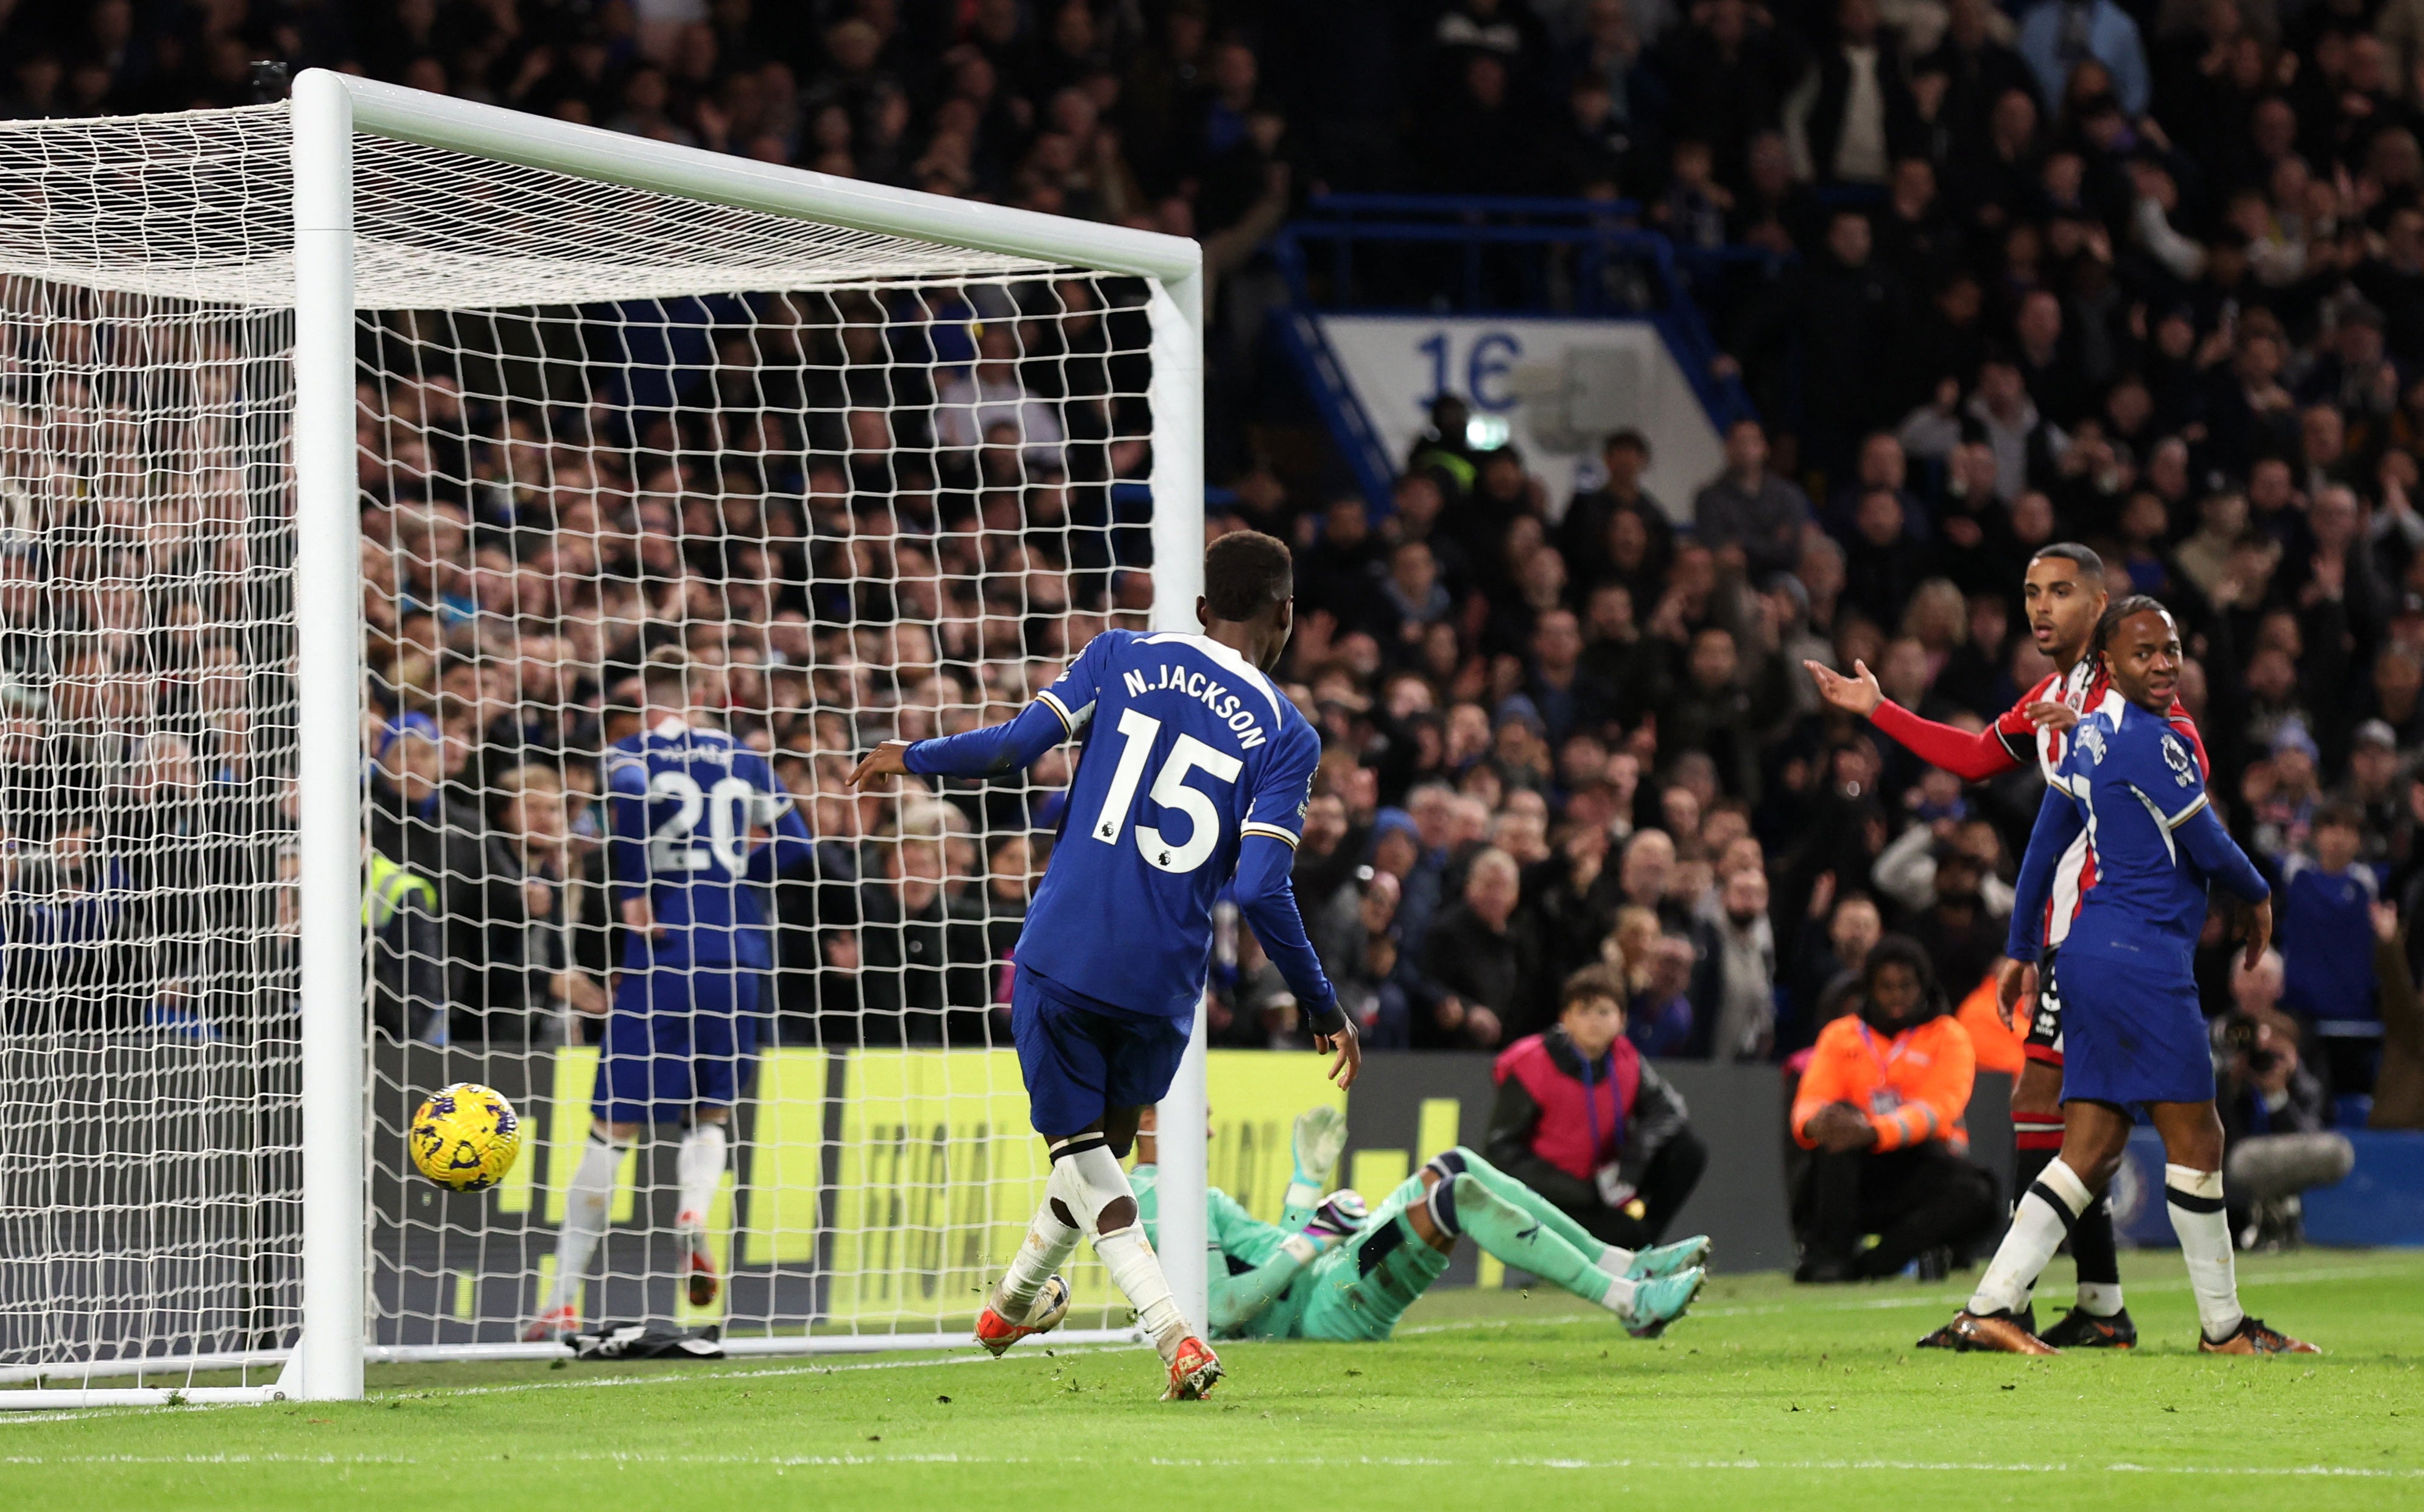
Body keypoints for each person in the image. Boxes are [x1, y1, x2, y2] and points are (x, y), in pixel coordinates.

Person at [847, 530, 1358, 1402]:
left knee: (1085, 1155)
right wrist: (1321, 1004)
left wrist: (914, 756)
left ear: (1200, 610)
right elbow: (1265, 888)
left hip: (1065, 953)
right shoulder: (1288, 735)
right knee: (1102, 1153)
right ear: (1286, 618)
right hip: (1162, 985)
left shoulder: (1120, 655)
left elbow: (1013, 747)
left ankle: (1174, 1339)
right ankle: (1013, 1302)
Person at [1807, 542, 2201, 1346]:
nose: (2040, 608)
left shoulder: (2131, 688)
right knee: (2069, 1114)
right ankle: (2100, 1308)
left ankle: (2011, 1302)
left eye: (2059, 591)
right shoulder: (2054, 693)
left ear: (2099, 604)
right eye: (2030, 592)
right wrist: (1879, 710)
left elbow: (2179, 763)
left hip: (2110, 930)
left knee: (2052, 1109)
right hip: (2072, 935)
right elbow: (1977, 755)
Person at [1924, 597, 2311, 1356]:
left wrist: (2026, 945)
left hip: (2088, 956)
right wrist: (2261, 896)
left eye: (2170, 649)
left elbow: (2046, 841)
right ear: (2108, 664)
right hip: (2141, 961)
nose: (2164, 665)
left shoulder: (2088, 737)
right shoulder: (2154, 742)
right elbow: (2208, 842)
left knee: (2093, 1146)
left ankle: (1990, 1307)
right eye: (2144, 654)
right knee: (2197, 1137)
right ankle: (2224, 1328)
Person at [525, 658, 815, 1342]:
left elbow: (631, 811)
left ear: (647, 705)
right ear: (702, 701)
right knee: (710, 1114)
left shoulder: (630, 753)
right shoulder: (747, 758)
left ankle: (564, 1298)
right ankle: (692, 1211)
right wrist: (737, 873)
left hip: (663, 953)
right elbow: (800, 847)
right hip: (739, 954)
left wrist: (633, 889)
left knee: (611, 1129)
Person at [1130, 1104, 1711, 1343]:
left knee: (1454, 1165)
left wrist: (1306, 1182)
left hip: (1323, 1278)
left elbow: (1266, 1262)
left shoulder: (1176, 1192)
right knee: (1454, 1197)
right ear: (1151, 1119)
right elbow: (1225, 1309)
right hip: (1326, 1305)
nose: (1208, 1131)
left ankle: (1623, 1261)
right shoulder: (1159, 1198)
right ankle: (1629, 1300)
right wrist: (1312, 1240)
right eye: (1196, 1116)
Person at [1791, 936, 1998, 1282]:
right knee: (1832, 1137)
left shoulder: (1949, 1036)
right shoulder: (1840, 1035)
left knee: (1979, 1194)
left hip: (1923, 1162)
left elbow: (1940, 1109)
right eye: (1886, 987)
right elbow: (1809, 1103)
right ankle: (1832, 1257)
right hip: (1854, 1164)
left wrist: (1873, 1131)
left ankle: (1874, 1264)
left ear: (1923, 986)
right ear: (1870, 989)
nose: (1896, 996)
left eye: (1906, 986)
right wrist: (1819, 1125)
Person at [1484, 965, 1708, 1250]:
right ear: (1565, 1019)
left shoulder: (1626, 1058)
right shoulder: (1532, 1064)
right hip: (1555, 1196)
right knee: (1630, 1236)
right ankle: (1635, 1252)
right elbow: (1500, 1149)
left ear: (1622, 1020)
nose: (1594, 1021)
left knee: (1688, 1151)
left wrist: (1631, 1161)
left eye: (1604, 1012)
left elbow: (1669, 1111)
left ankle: (1639, 1251)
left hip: (1610, 1181)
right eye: (1584, 1011)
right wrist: (1582, 1190)